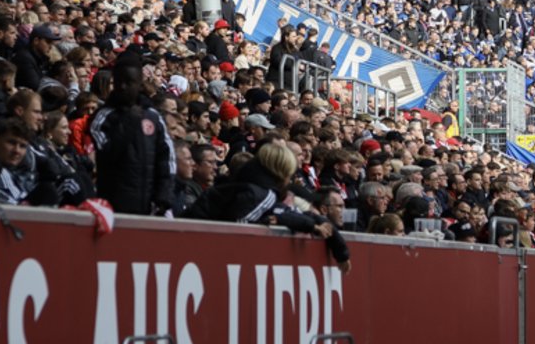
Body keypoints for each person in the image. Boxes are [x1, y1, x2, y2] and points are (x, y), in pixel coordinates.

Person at [184, 141, 350, 270]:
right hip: (198, 251)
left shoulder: (264, 190)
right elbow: (239, 227)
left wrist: (340, 251)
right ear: (282, 171)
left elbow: (300, 215)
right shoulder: (261, 194)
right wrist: (273, 221)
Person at [88, 65, 176, 216]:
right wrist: (129, 122)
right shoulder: (103, 117)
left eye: (129, 82)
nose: (123, 86)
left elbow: (167, 158)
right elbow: (106, 154)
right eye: (119, 82)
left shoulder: (153, 116)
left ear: (139, 84)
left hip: (148, 206)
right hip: (113, 206)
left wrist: (164, 196)